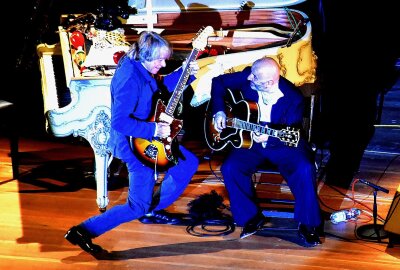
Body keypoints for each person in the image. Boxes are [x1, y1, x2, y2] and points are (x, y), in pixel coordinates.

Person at [64, 31, 200, 254]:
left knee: (187, 163)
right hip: (134, 145)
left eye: (165, 59)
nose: (163, 63)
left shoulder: (141, 66)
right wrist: (154, 128)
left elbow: (161, 87)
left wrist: (186, 74)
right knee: (136, 205)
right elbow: (119, 122)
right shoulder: (129, 78)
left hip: (149, 136)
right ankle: (83, 231)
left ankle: (152, 208)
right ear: (145, 55)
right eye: (159, 59)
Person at [210, 57, 322, 247]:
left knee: (304, 168)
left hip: (281, 142)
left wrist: (268, 137)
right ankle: (250, 217)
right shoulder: (251, 75)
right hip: (250, 142)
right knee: (230, 167)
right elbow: (218, 82)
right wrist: (219, 111)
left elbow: (290, 133)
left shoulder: (293, 99)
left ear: (269, 82)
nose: (249, 79)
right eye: (252, 74)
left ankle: (308, 223)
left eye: (255, 78)